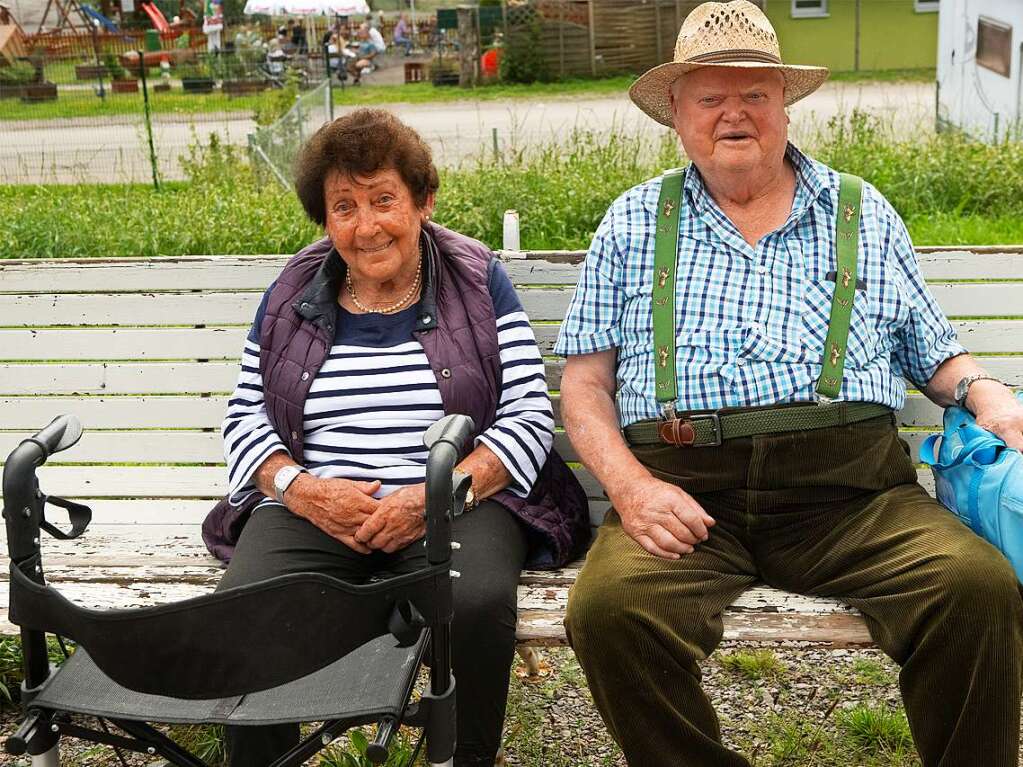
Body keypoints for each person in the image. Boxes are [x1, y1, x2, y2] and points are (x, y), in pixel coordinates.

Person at [555, 2, 1023, 766]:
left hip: (850, 496)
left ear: (782, 103)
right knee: (608, 611)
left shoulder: (858, 209)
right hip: (684, 494)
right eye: (710, 96)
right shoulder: (634, 222)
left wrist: (984, 392)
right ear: (676, 111)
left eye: (753, 95)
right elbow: (583, 383)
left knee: (972, 587)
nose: (733, 114)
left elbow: (930, 348)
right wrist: (631, 489)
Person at [203, 108, 589, 767]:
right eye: (344, 206)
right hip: (314, 505)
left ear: (422, 200)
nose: (367, 224)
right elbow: (244, 418)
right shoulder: (294, 286)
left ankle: (461, 758)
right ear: (324, 219)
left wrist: (430, 497)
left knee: (469, 601)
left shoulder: (476, 276)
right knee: (246, 610)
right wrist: (303, 490)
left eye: (384, 199)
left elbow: (526, 416)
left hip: (456, 500)